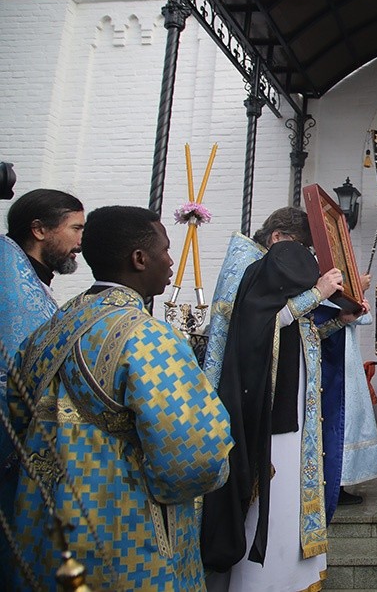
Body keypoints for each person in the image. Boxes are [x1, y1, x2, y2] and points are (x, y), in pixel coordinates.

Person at [7, 205, 233, 591]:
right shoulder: (149, 338)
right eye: (165, 249)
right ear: (139, 259)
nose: (171, 260)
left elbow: (15, 412)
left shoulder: (53, 326)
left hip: (43, 525)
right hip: (123, 528)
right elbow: (195, 456)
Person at [201, 207, 343, 592]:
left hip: (294, 403)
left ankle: (293, 578)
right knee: (271, 497)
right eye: (301, 248)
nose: (305, 259)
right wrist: (317, 294)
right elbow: (255, 330)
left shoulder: (271, 269)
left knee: (290, 497)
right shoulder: (250, 267)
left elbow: (296, 332)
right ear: (278, 238)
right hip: (266, 407)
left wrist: (338, 320)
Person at [0, 188, 83, 588]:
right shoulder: (13, 289)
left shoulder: (28, 281)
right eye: (75, 228)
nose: (81, 241)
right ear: (39, 230)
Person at [316, 272, 377, 513]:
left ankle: (342, 481)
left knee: (352, 419)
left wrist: (359, 293)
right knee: (339, 420)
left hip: (349, 357)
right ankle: (335, 482)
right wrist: (356, 289)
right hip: (334, 360)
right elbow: (331, 315)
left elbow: (361, 318)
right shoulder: (318, 285)